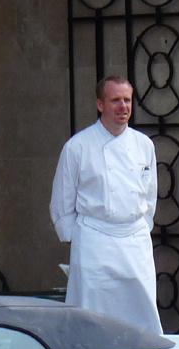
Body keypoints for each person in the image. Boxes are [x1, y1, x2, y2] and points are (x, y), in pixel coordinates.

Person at [50, 75, 164, 335]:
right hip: (95, 241)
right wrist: (77, 236)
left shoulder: (144, 145)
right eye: (115, 100)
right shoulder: (77, 147)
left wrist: (142, 226)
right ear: (100, 105)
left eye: (127, 100)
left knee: (143, 309)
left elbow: (150, 192)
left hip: (134, 240)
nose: (123, 107)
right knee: (92, 312)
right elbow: (62, 200)